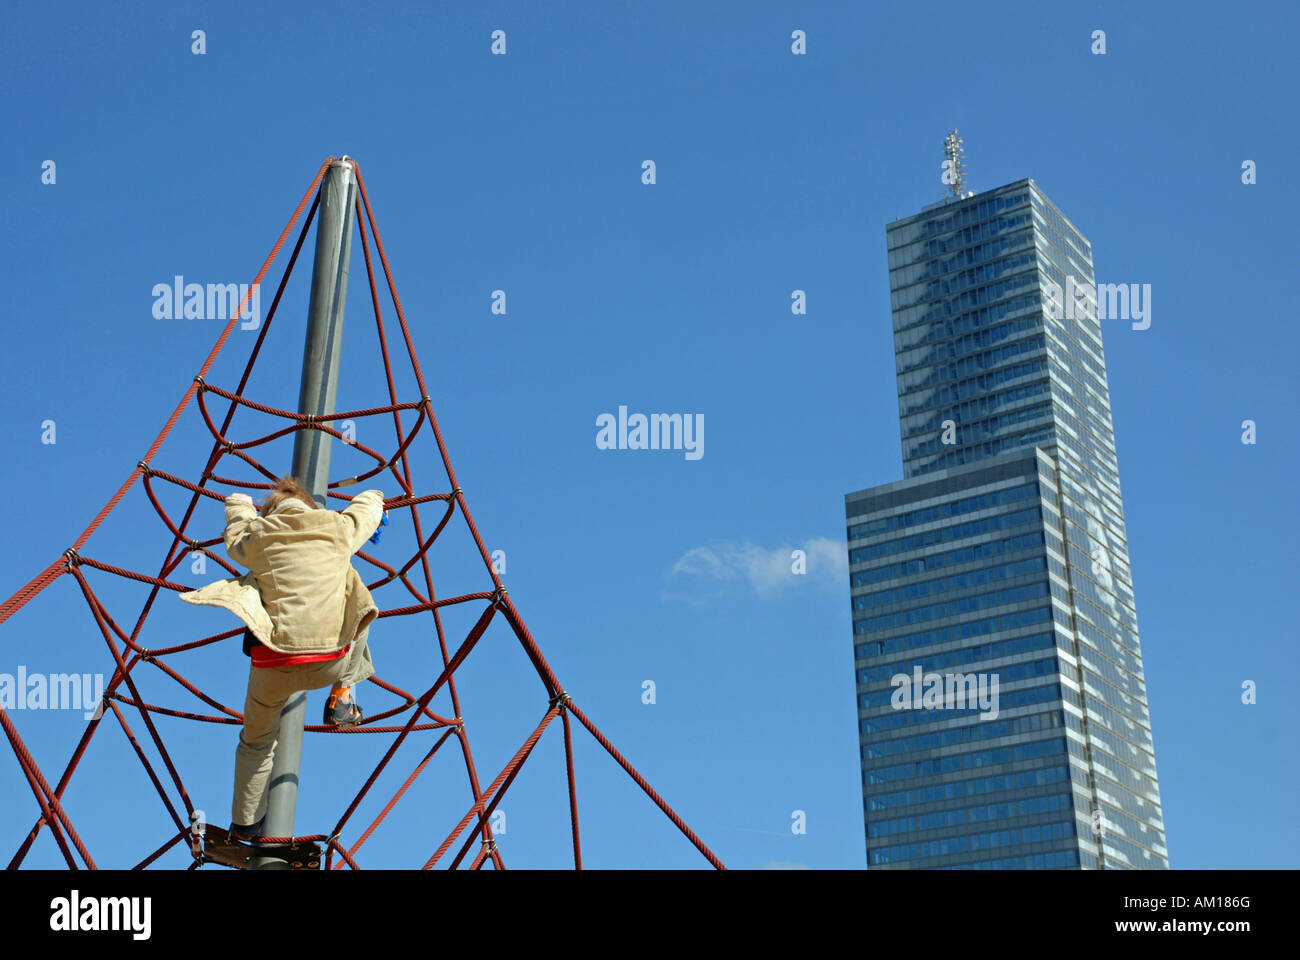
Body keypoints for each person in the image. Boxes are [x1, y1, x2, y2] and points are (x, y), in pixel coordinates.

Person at [178, 475, 386, 842]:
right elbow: (364, 512)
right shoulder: (337, 528)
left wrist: (239, 501)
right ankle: (342, 696)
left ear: (271, 512)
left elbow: (237, 532)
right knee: (356, 593)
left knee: (256, 741)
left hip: (273, 665)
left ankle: (245, 822)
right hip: (331, 659)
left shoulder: (258, 537)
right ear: (311, 506)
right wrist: (375, 497)